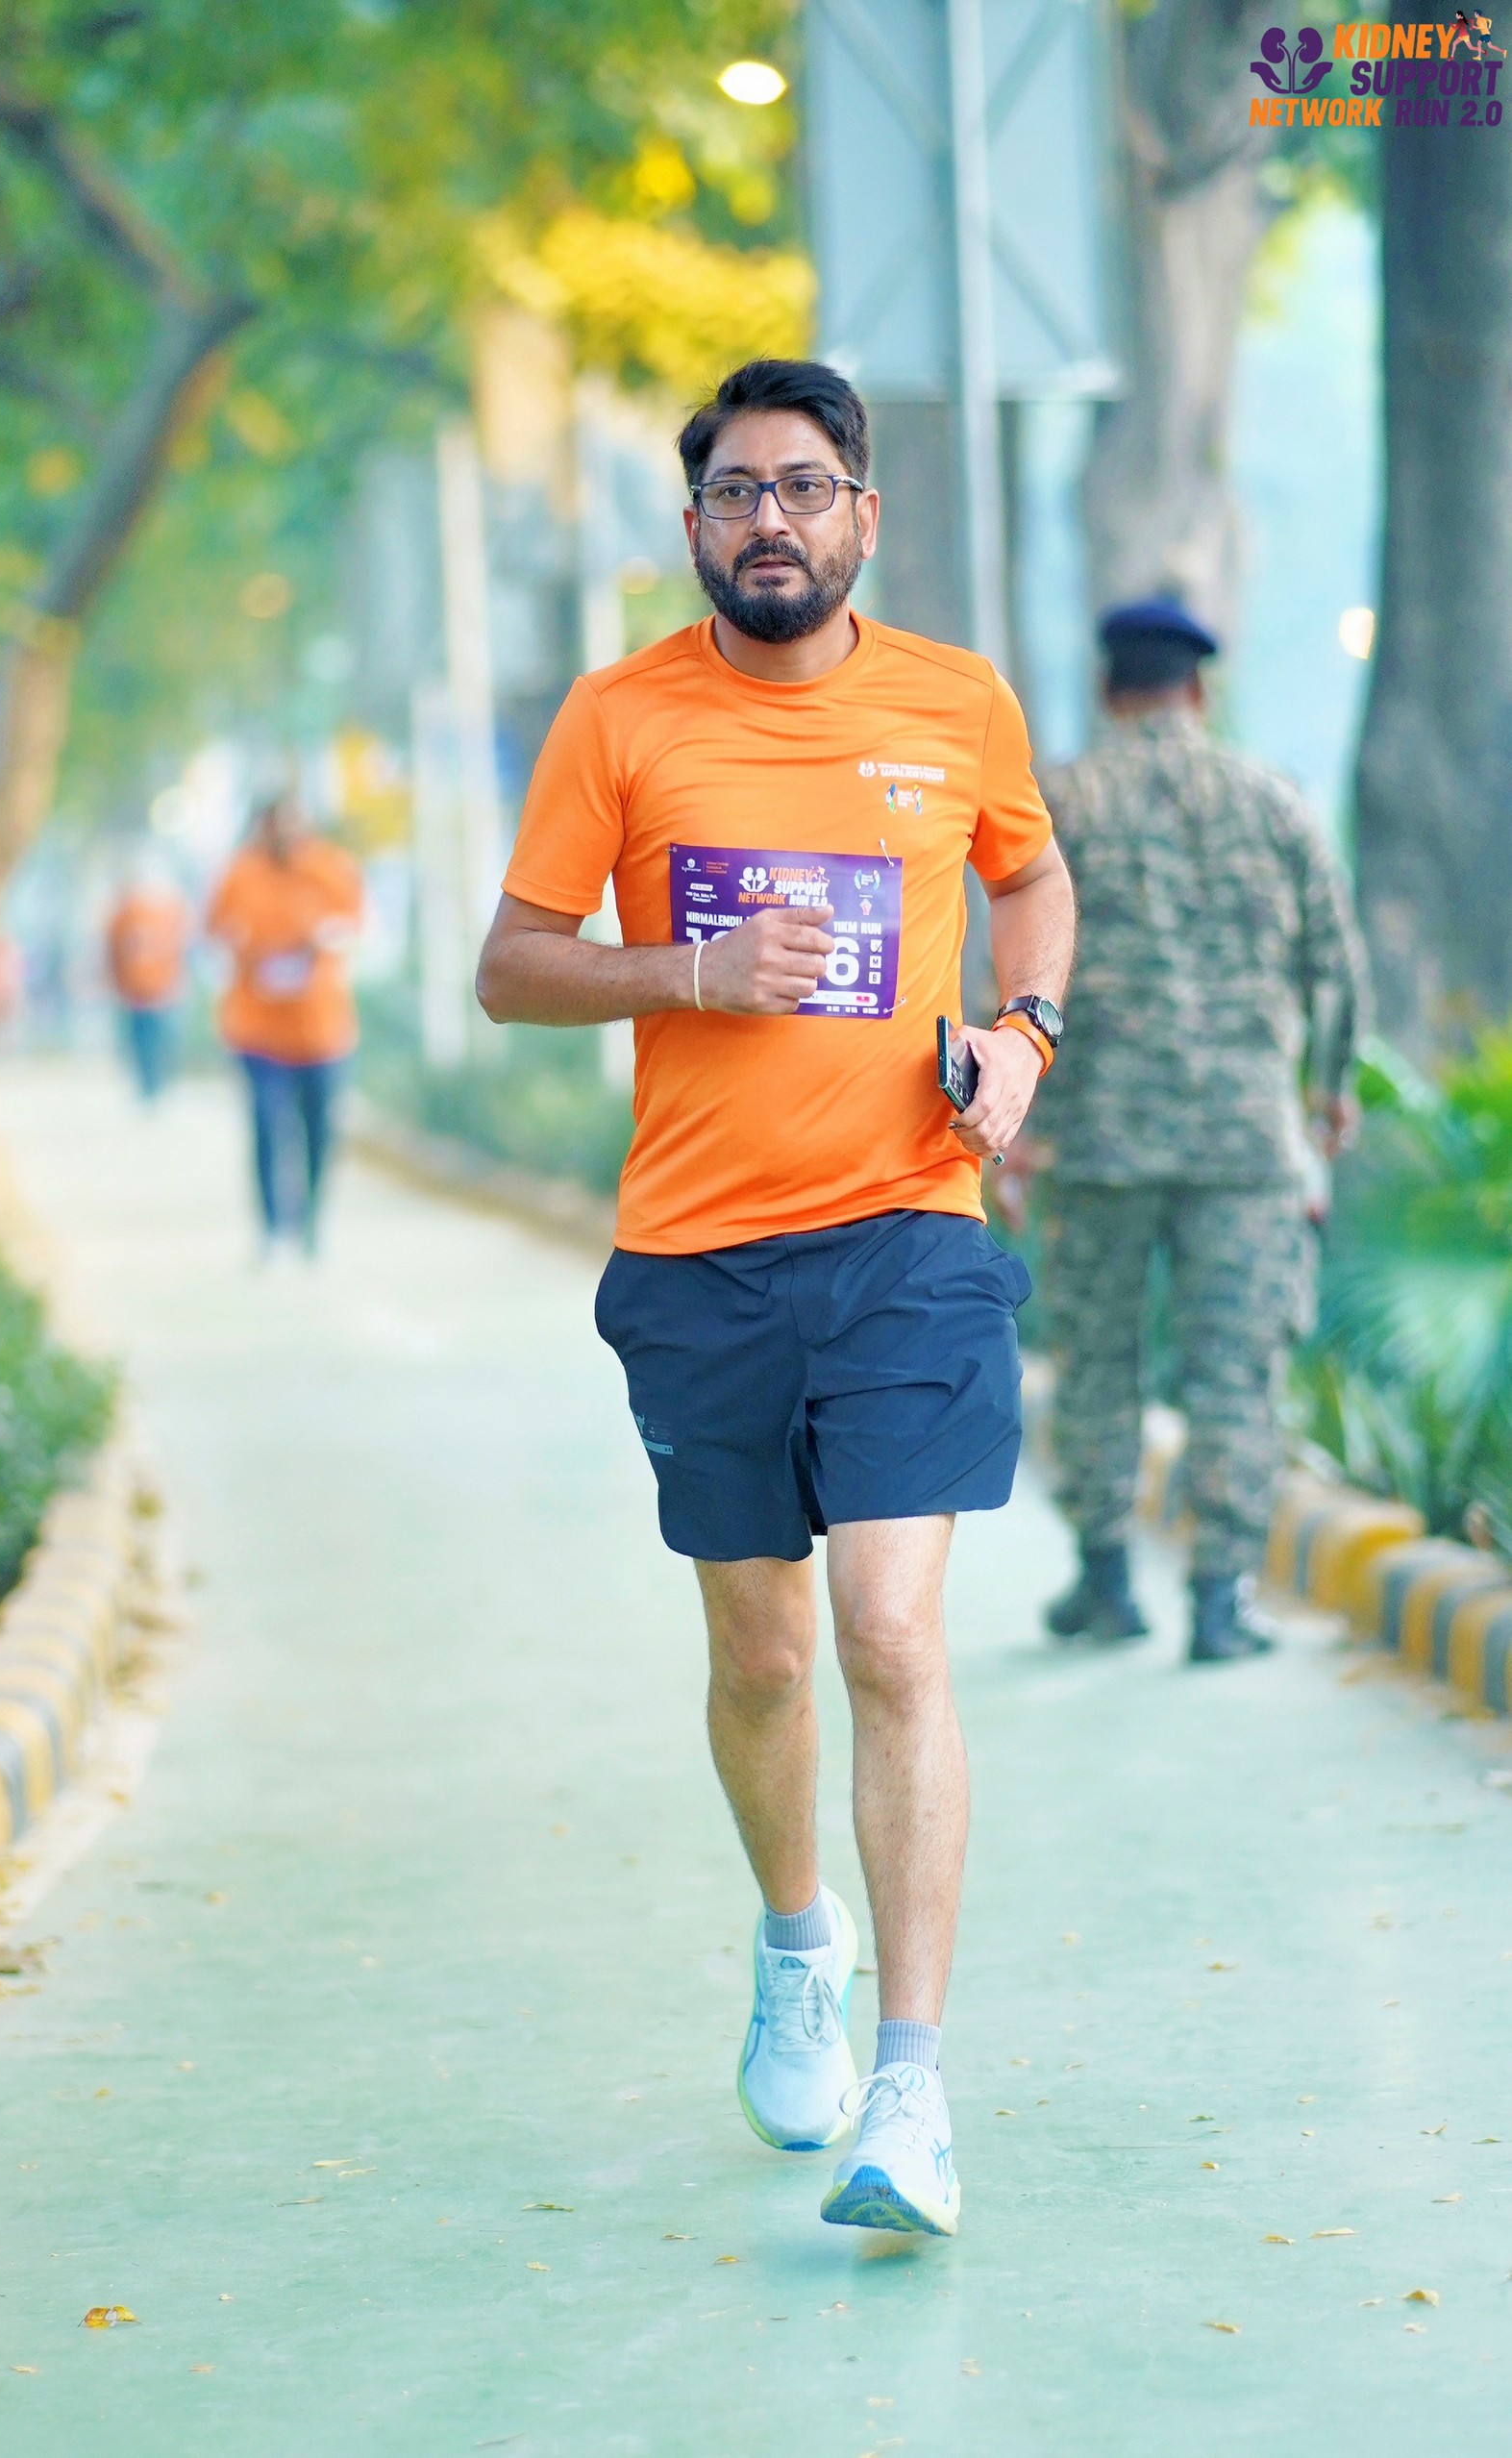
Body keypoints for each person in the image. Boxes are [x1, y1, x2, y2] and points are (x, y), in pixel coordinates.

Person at [476, 358, 1074, 2238]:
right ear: (694, 525)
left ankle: (912, 2088)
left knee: (890, 1631)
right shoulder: (622, 714)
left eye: (804, 488)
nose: (771, 521)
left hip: (909, 1229)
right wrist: (689, 971)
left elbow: (1034, 880)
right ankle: (797, 1939)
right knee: (765, 1655)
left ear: (861, 516)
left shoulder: (955, 700)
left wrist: (1023, 1034)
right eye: (737, 492)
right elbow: (511, 964)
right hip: (699, 1257)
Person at [1035, 597, 1369, 1663]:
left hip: (1096, 1140)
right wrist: (1326, 1089)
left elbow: (1005, 960)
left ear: (1107, 688)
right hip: (1244, 1145)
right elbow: (1336, 965)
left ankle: (1104, 1580)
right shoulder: (1272, 801)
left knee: (1098, 1357)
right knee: (1235, 1371)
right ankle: (1220, 1600)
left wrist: (1014, 1121)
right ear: (1199, 689)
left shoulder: (1061, 804)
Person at [208, 793, 362, 1257]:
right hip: (258, 1031)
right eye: (276, 827)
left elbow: (354, 924)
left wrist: (321, 939)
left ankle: (311, 1217)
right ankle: (272, 1227)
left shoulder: (330, 868)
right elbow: (216, 928)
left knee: (320, 1132)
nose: (286, 837)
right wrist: (248, 945)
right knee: (266, 1125)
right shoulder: (239, 874)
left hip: (321, 1031)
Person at [106, 856, 188, 1101]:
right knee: (143, 1037)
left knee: (158, 1035)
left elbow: (180, 946)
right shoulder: (125, 913)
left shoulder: (168, 910)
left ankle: (157, 1081)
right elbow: (113, 948)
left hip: (160, 987)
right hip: (137, 988)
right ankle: (149, 1083)